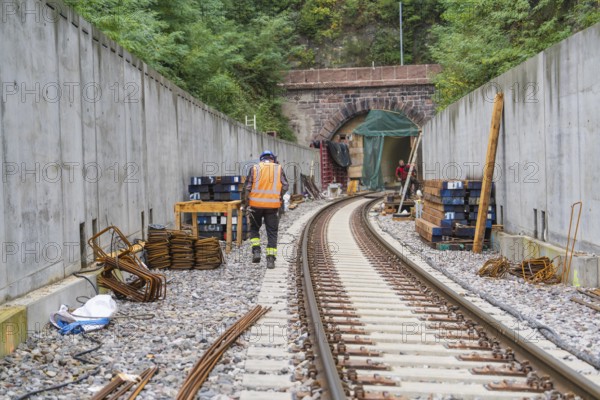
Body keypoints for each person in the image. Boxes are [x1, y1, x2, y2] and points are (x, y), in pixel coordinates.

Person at [242, 150, 289, 269]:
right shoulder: (278, 169)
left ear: (261, 159)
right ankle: (270, 259)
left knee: (254, 229)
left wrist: (246, 203)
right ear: (273, 158)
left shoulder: (255, 168)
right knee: (272, 232)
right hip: (272, 207)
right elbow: (285, 186)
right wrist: (278, 196)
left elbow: (247, 188)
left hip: (255, 206)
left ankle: (256, 251)